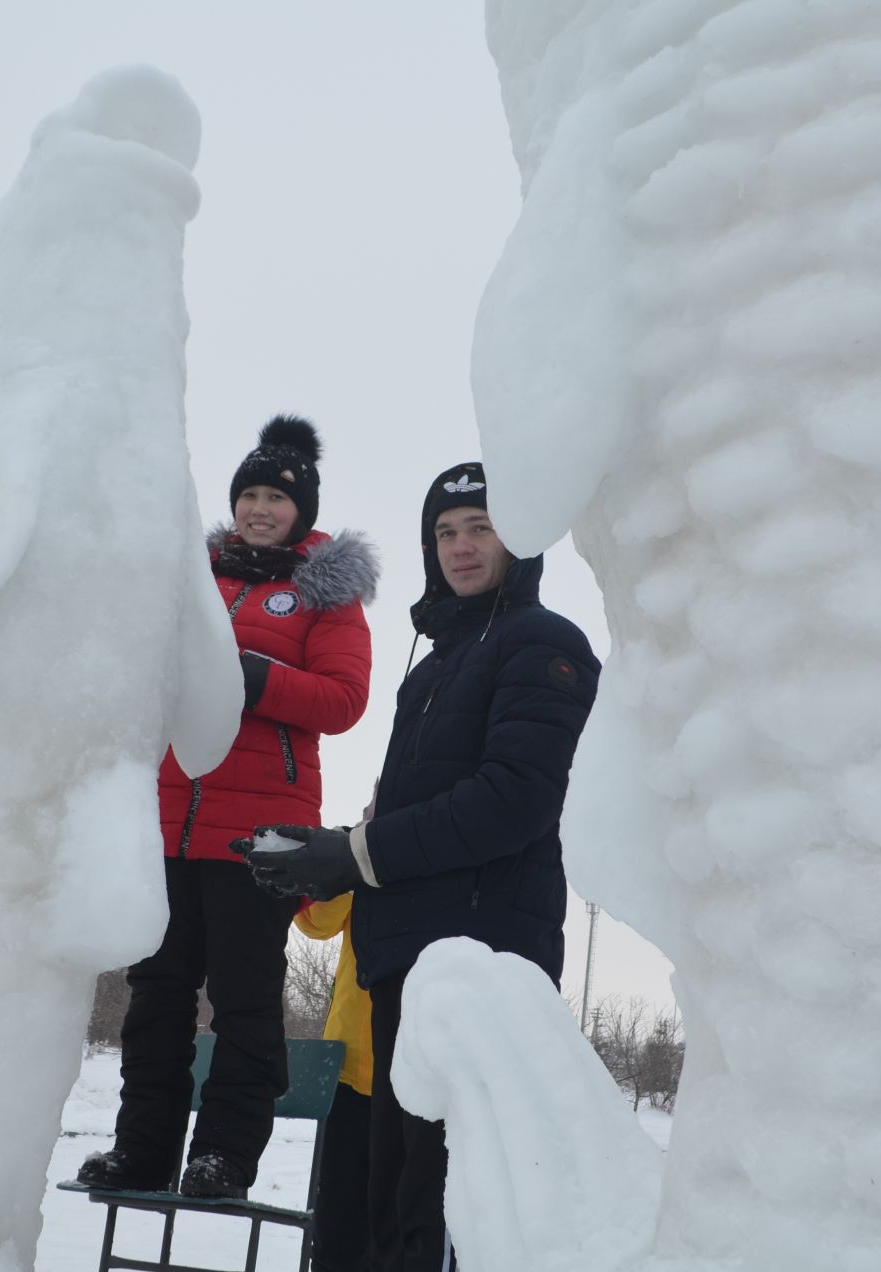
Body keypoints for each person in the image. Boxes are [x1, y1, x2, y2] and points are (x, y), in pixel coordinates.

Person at [240, 460, 599, 1270]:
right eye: (445, 532)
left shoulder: (544, 645)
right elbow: (403, 824)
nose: (461, 547)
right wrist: (326, 854)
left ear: (521, 537)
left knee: (442, 1215)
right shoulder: (431, 671)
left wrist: (358, 856)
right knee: (388, 1214)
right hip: (402, 966)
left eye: (481, 528)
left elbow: (516, 800)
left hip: (481, 966)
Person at [77, 416, 377, 1200]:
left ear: (301, 510)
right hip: (168, 820)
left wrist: (252, 675)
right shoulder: (194, 577)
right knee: (157, 1000)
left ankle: (225, 1157)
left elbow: (345, 700)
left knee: (244, 1003)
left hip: (259, 831)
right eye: (248, 493)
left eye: (275, 496)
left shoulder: (326, 594)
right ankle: (141, 1149)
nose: (258, 508)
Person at [292, 890, 375, 1272]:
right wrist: (351, 865)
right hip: (349, 1068)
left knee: (402, 1222)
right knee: (337, 1219)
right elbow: (314, 923)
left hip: (423, 1079)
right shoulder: (362, 864)